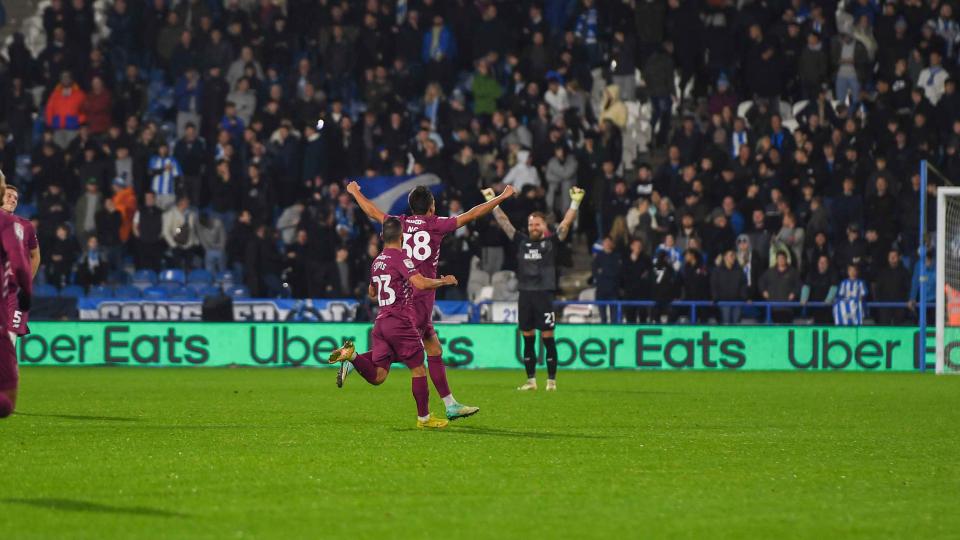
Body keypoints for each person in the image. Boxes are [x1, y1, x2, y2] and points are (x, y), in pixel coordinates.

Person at [347, 182, 515, 419]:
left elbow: (372, 211)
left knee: (434, 348)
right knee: (408, 355)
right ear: (431, 207)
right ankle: (357, 360)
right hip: (419, 296)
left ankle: (450, 404)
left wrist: (355, 192)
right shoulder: (437, 225)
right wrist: (502, 197)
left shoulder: (400, 223)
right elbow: (473, 213)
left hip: (407, 294)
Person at [327, 217, 458, 429]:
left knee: (378, 376)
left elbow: (371, 292)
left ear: (381, 237)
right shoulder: (401, 257)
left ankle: (353, 357)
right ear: (402, 237)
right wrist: (444, 281)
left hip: (380, 324)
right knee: (418, 369)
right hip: (400, 322)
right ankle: (424, 419)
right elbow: (421, 283)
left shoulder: (377, 261)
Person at [488, 186, 583, 391]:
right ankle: (531, 381)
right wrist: (492, 202)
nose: (533, 227)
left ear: (544, 226)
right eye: (531, 224)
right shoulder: (521, 241)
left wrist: (575, 203)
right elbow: (504, 223)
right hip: (525, 296)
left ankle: (551, 381)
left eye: (537, 224)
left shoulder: (551, 242)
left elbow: (566, 224)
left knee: (548, 339)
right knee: (528, 339)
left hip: (545, 295)